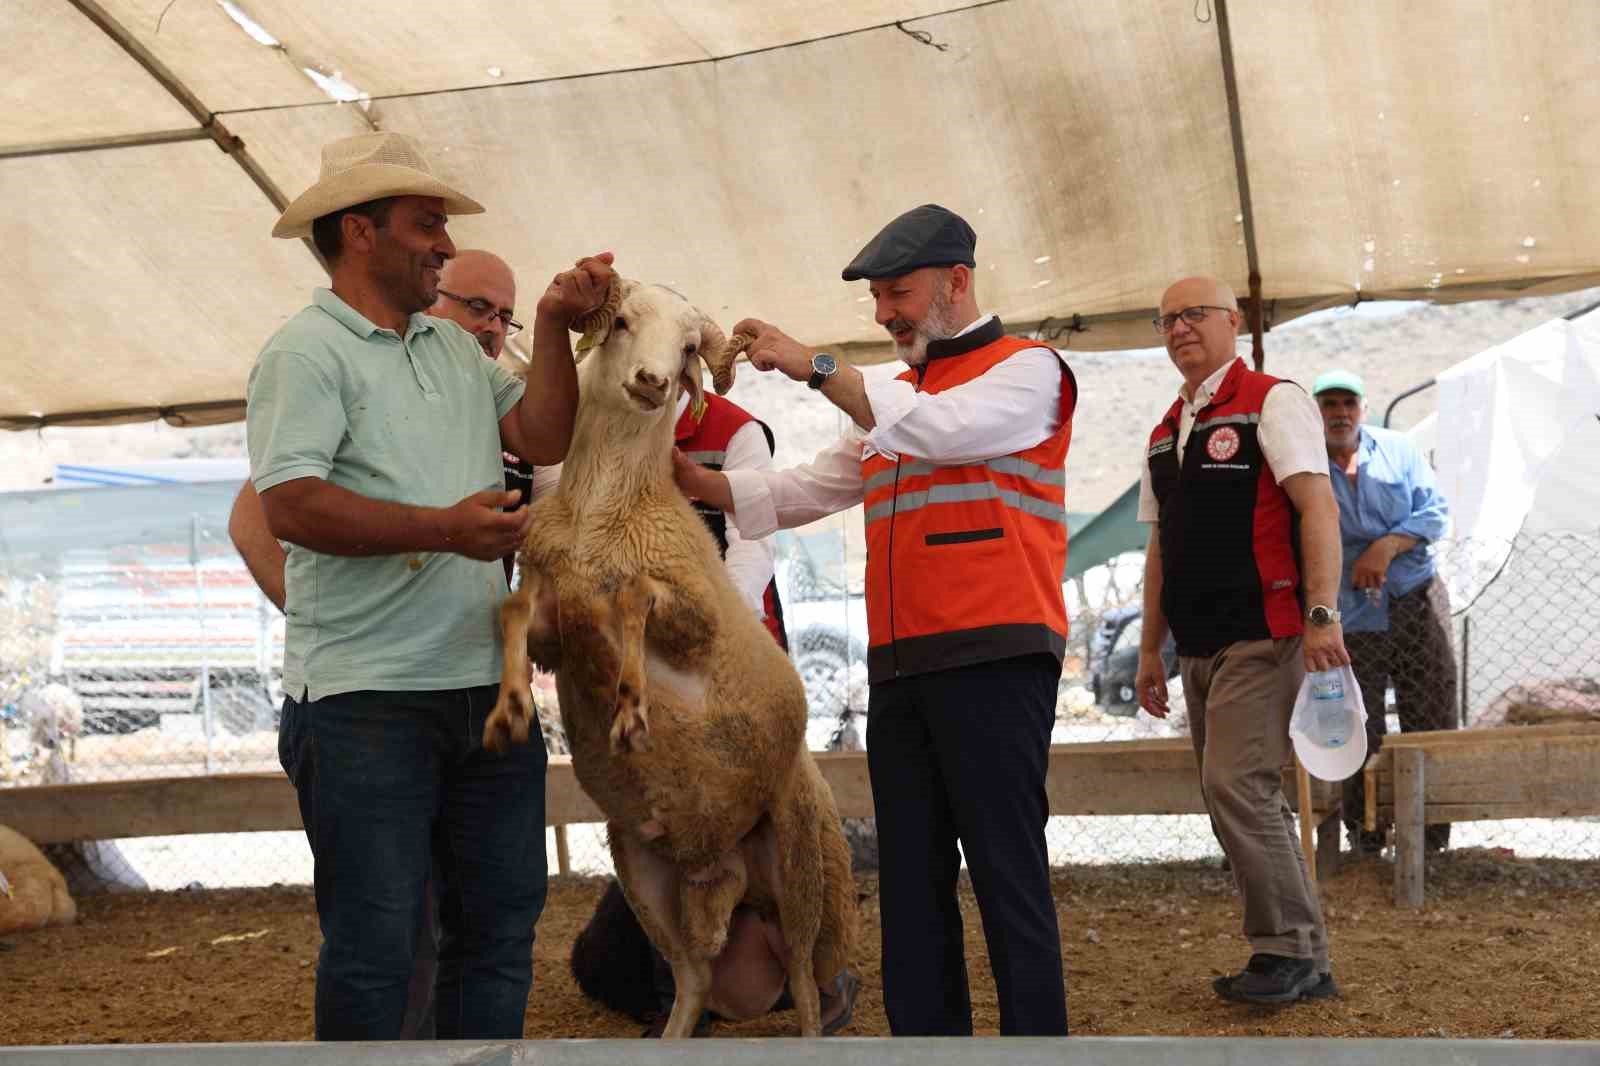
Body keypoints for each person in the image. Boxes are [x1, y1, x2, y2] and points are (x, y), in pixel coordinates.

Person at [673, 204, 1073, 1037]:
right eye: (878, 300)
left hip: (994, 661)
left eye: (899, 292)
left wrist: (814, 366)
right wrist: (697, 482)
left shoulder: (1029, 370)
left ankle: (1039, 1050)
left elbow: (945, 431)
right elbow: (808, 489)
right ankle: (928, 1050)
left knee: (1007, 874)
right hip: (901, 666)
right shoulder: (895, 397)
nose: (886, 314)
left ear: (958, 282)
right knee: (912, 881)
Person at [245, 129, 609, 1041]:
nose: (444, 245)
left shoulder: (449, 352)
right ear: (359, 233)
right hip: (364, 699)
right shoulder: (303, 354)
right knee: (376, 945)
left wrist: (559, 325)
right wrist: (447, 529)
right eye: (427, 225)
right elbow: (288, 505)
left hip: (486, 691)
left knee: (497, 932)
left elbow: (542, 435)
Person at [1134, 276, 1348, 1006]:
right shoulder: (1166, 428)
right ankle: (1303, 959)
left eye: (1194, 314)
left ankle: (1285, 950)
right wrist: (1147, 650)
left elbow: (1317, 505)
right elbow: (1159, 545)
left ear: (1235, 320)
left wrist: (1323, 613)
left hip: (1266, 633)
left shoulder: (1271, 399)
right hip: (1196, 645)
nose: (1179, 329)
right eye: (1167, 320)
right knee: (1230, 792)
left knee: (1238, 786)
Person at [1314, 369, 1456, 854]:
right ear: (1316, 412)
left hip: (1413, 596)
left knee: (1431, 709)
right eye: (1329, 404)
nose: (1339, 413)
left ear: (1363, 409)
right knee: (1357, 720)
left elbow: (1435, 512)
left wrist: (1387, 545)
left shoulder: (1399, 450)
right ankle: (1366, 834)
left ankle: (1433, 834)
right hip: (1349, 613)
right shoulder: (1305, 466)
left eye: (1348, 403)